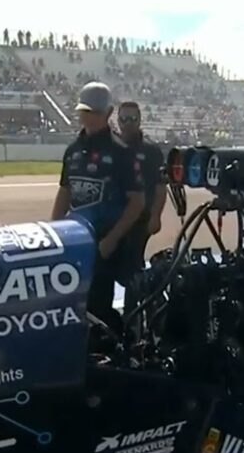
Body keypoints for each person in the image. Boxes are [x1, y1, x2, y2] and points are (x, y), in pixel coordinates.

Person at [51, 82, 145, 341]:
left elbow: (137, 202)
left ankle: (114, 349)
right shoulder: (73, 151)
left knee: (100, 305)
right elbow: (65, 192)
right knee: (75, 302)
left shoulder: (121, 153)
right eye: (84, 111)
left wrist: (111, 240)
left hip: (105, 243)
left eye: (93, 112)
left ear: (108, 112)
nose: (87, 117)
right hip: (75, 240)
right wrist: (53, 233)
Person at [115, 101, 167, 312]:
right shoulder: (111, 148)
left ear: (140, 121)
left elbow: (160, 187)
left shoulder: (152, 152)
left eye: (132, 119)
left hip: (140, 222)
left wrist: (156, 216)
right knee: (115, 270)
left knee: (133, 269)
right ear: (117, 121)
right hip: (113, 220)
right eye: (124, 119)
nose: (128, 124)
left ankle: (133, 314)